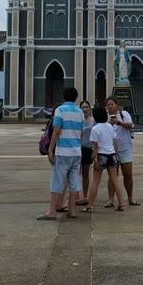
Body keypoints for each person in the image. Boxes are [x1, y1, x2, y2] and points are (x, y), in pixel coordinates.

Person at [37, 87, 84, 221]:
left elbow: (57, 131)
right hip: (76, 152)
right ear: (76, 97)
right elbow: (81, 133)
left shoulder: (60, 110)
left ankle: (52, 211)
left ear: (63, 96)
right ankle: (73, 210)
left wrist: (50, 149)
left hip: (63, 151)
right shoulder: (80, 112)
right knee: (74, 181)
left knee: (57, 181)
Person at [81, 107, 124, 212]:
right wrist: (116, 155)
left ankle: (90, 205)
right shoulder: (110, 126)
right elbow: (115, 142)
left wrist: (94, 157)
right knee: (115, 180)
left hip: (101, 155)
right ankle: (121, 204)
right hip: (111, 155)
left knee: (96, 181)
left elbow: (95, 146)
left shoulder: (95, 129)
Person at [104, 97, 140, 207]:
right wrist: (109, 124)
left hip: (125, 148)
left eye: (112, 104)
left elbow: (130, 125)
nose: (110, 106)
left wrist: (118, 122)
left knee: (128, 174)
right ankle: (110, 199)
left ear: (117, 105)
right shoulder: (105, 117)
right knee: (112, 176)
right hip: (111, 150)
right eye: (108, 105)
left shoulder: (124, 114)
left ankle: (130, 198)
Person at [77, 100, 95, 206]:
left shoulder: (93, 121)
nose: (84, 109)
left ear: (90, 109)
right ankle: (75, 195)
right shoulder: (78, 121)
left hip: (88, 149)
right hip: (77, 149)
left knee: (85, 173)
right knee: (75, 174)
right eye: (82, 107)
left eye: (86, 107)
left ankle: (85, 195)